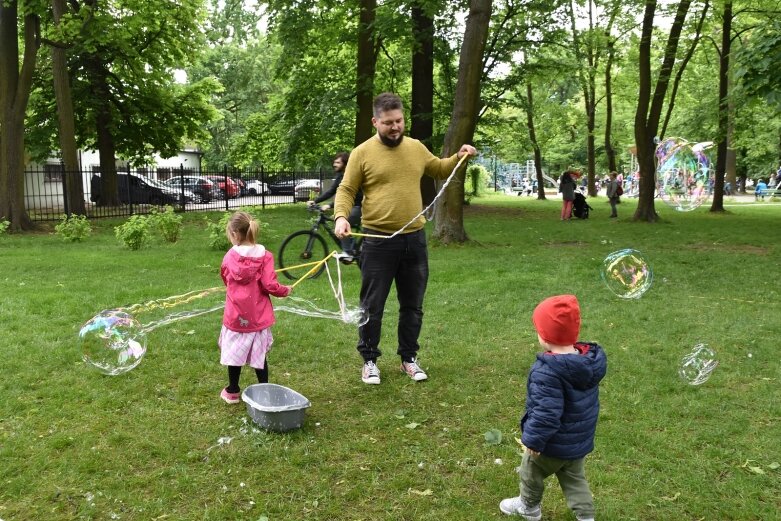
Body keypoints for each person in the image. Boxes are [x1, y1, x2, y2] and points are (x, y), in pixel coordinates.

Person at [333, 92, 477, 385]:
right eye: (388, 123)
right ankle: (370, 360)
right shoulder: (362, 153)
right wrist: (341, 216)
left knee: (413, 304)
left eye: (399, 121)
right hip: (377, 241)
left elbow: (437, 167)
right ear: (375, 121)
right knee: (372, 305)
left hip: (414, 240)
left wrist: (459, 156)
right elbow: (347, 189)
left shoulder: (415, 147)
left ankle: (408, 359)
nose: (395, 126)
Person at [500, 295, 607, 521]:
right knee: (575, 480)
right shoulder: (586, 362)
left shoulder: (547, 371)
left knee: (531, 471)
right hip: (577, 442)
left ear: (545, 336)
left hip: (551, 444)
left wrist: (534, 440)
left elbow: (545, 412)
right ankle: (586, 517)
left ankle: (528, 507)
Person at [218, 211, 292, 404]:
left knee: (235, 353)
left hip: (235, 316)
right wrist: (285, 290)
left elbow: (225, 276)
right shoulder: (265, 256)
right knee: (260, 356)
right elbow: (270, 285)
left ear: (234, 234)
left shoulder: (230, 256)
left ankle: (233, 391)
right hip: (257, 317)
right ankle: (264, 389)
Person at [308, 152, 363, 261]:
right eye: (334, 162)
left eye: (338, 162)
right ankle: (353, 248)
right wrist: (315, 201)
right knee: (338, 221)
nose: (334, 164)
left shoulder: (350, 175)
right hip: (350, 207)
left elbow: (349, 195)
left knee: (342, 222)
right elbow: (331, 191)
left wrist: (330, 205)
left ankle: (348, 253)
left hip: (359, 207)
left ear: (345, 164)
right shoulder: (339, 176)